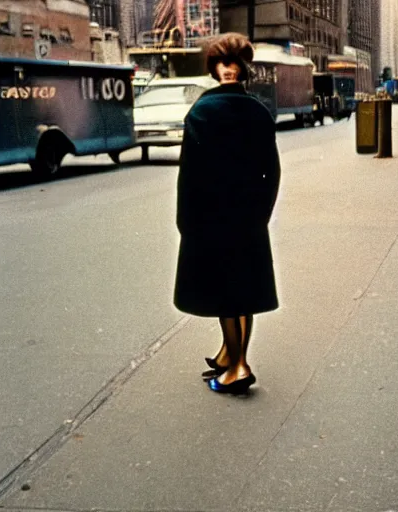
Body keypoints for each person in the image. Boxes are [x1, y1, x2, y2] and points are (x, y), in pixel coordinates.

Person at [173, 33, 281, 395]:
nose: (229, 69)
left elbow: (190, 173)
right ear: (216, 68)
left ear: (240, 68)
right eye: (224, 63)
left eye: (233, 63)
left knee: (225, 292)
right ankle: (228, 355)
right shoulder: (259, 112)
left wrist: (186, 220)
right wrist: (261, 213)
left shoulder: (202, 112)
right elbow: (272, 170)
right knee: (243, 289)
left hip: (212, 216)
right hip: (248, 216)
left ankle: (238, 367)